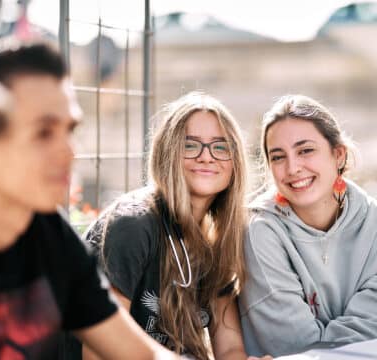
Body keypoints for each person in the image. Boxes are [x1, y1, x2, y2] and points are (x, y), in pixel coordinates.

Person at [0, 42, 178, 360]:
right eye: (43, 133)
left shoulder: (48, 232)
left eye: (70, 129)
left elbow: (142, 355)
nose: (69, 151)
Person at [81, 92, 271, 360]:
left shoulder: (219, 238)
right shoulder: (133, 226)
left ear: (235, 163)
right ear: (167, 153)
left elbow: (229, 347)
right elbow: (96, 352)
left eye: (220, 147)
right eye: (190, 145)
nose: (207, 157)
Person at [239, 95, 377, 357]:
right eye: (278, 157)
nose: (292, 168)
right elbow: (293, 345)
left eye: (305, 150)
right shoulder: (259, 233)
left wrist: (323, 342)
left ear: (338, 154)